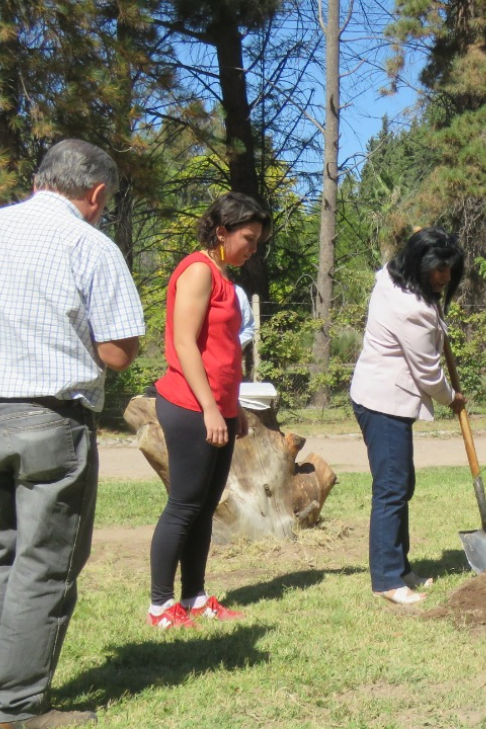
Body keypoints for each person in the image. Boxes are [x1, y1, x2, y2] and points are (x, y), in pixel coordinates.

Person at [0, 140, 144, 727]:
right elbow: (119, 352)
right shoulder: (88, 244)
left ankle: (8, 685)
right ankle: (15, 710)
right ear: (95, 194)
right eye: (105, 201)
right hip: (47, 417)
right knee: (45, 562)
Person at [148, 192, 270, 629]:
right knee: (183, 505)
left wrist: (230, 406)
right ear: (222, 231)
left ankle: (195, 596)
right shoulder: (199, 270)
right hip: (188, 405)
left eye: (257, 242)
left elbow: (224, 352)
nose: (252, 249)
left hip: (217, 406)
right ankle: (161, 606)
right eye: (248, 238)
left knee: (204, 505)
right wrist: (209, 410)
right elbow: (185, 343)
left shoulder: (222, 276)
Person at [351, 227, 467, 606]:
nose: (445, 278)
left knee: (402, 485)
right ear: (418, 266)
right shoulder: (412, 310)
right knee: (392, 489)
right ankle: (386, 579)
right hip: (383, 401)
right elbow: (429, 375)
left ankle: (399, 567)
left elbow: (393, 266)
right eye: (438, 271)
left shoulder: (391, 276)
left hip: (383, 397)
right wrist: (453, 399)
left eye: (450, 270)